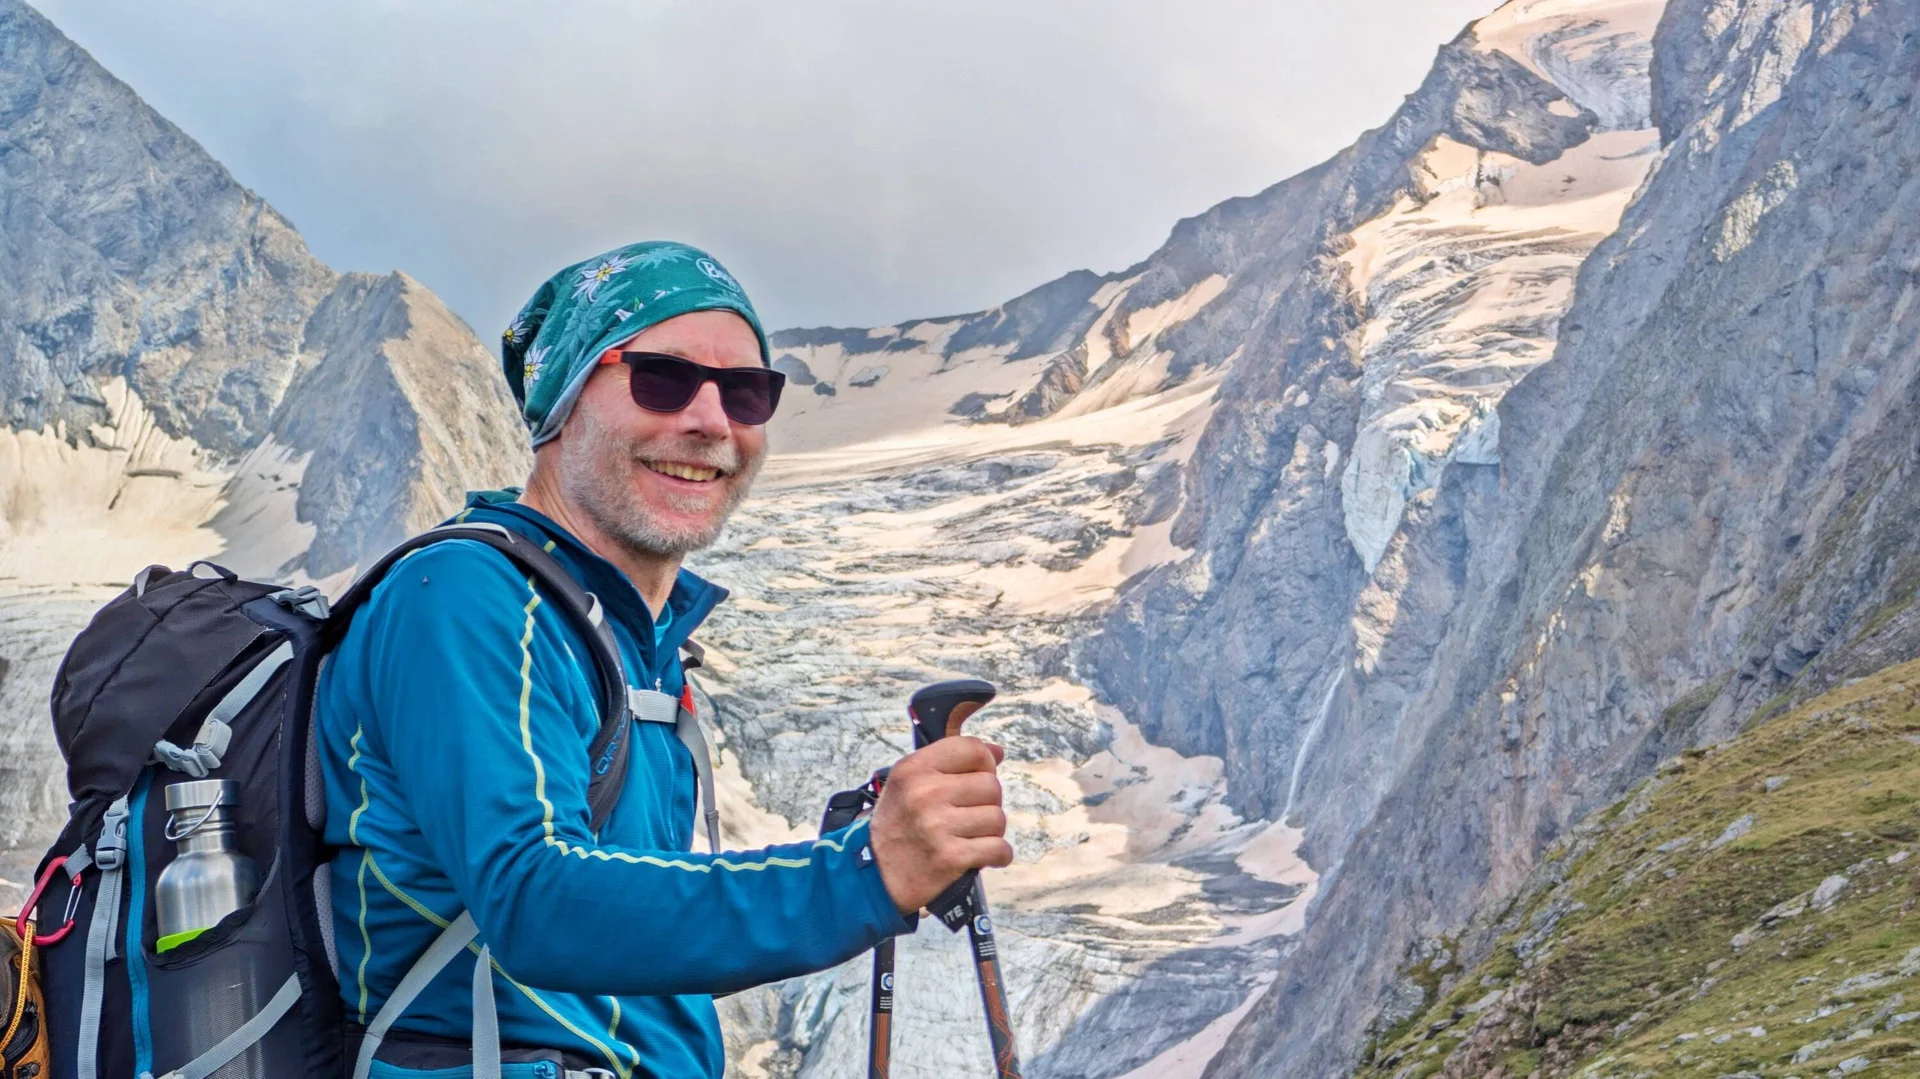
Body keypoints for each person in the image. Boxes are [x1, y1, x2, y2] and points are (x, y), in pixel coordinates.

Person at [316, 241, 1013, 1078]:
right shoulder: (465, 595)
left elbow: (634, 929)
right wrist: (863, 871)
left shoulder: (634, 643)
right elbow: (534, 897)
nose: (712, 422)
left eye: (746, 392)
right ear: (564, 402)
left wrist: (862, 846)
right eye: (662, 378)